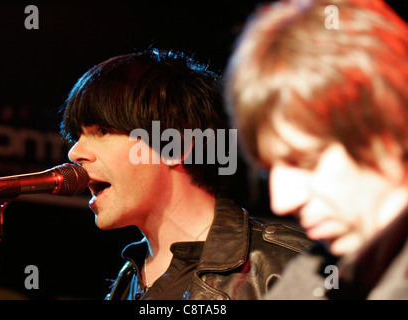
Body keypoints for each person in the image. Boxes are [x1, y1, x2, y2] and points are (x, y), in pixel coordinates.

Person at [60, 48, 313, 300]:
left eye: (103, 131)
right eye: (76, 136)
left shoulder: (287, 272)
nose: (75, 152)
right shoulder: (125, 286)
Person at [226, 0, 408, 299]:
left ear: (387, 131)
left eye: (305, 161)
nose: (282, 202)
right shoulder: (309, 276)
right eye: (270, 169)